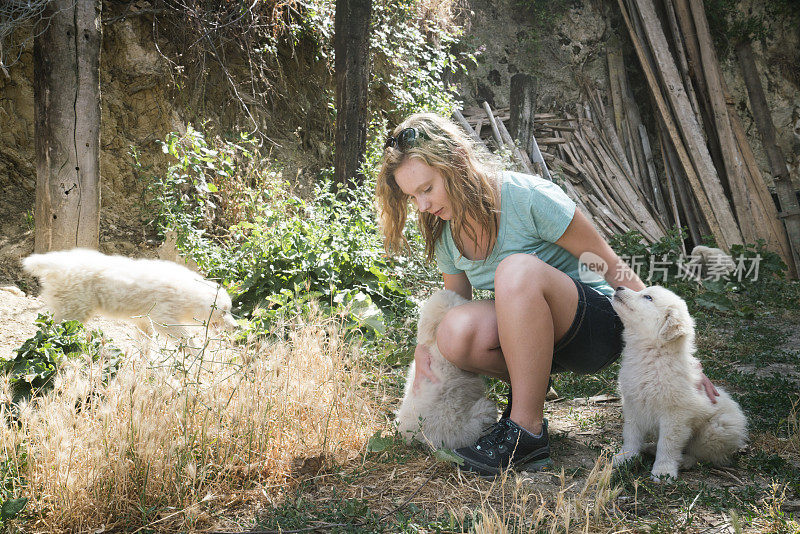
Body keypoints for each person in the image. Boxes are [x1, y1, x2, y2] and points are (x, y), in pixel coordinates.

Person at [376, 112, 719, 476]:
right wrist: (425, 346)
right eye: (413, 197)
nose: (423, 206)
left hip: (595, 326)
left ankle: (526, 432)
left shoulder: (527, 197)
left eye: (427, 189)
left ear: (456, 163)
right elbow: (454, 305)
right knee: (454, 330)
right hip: (531, 338)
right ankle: (532, 389)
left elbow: (610, 265)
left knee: (515, 268)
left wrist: (683, 358)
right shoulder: (445, 230)